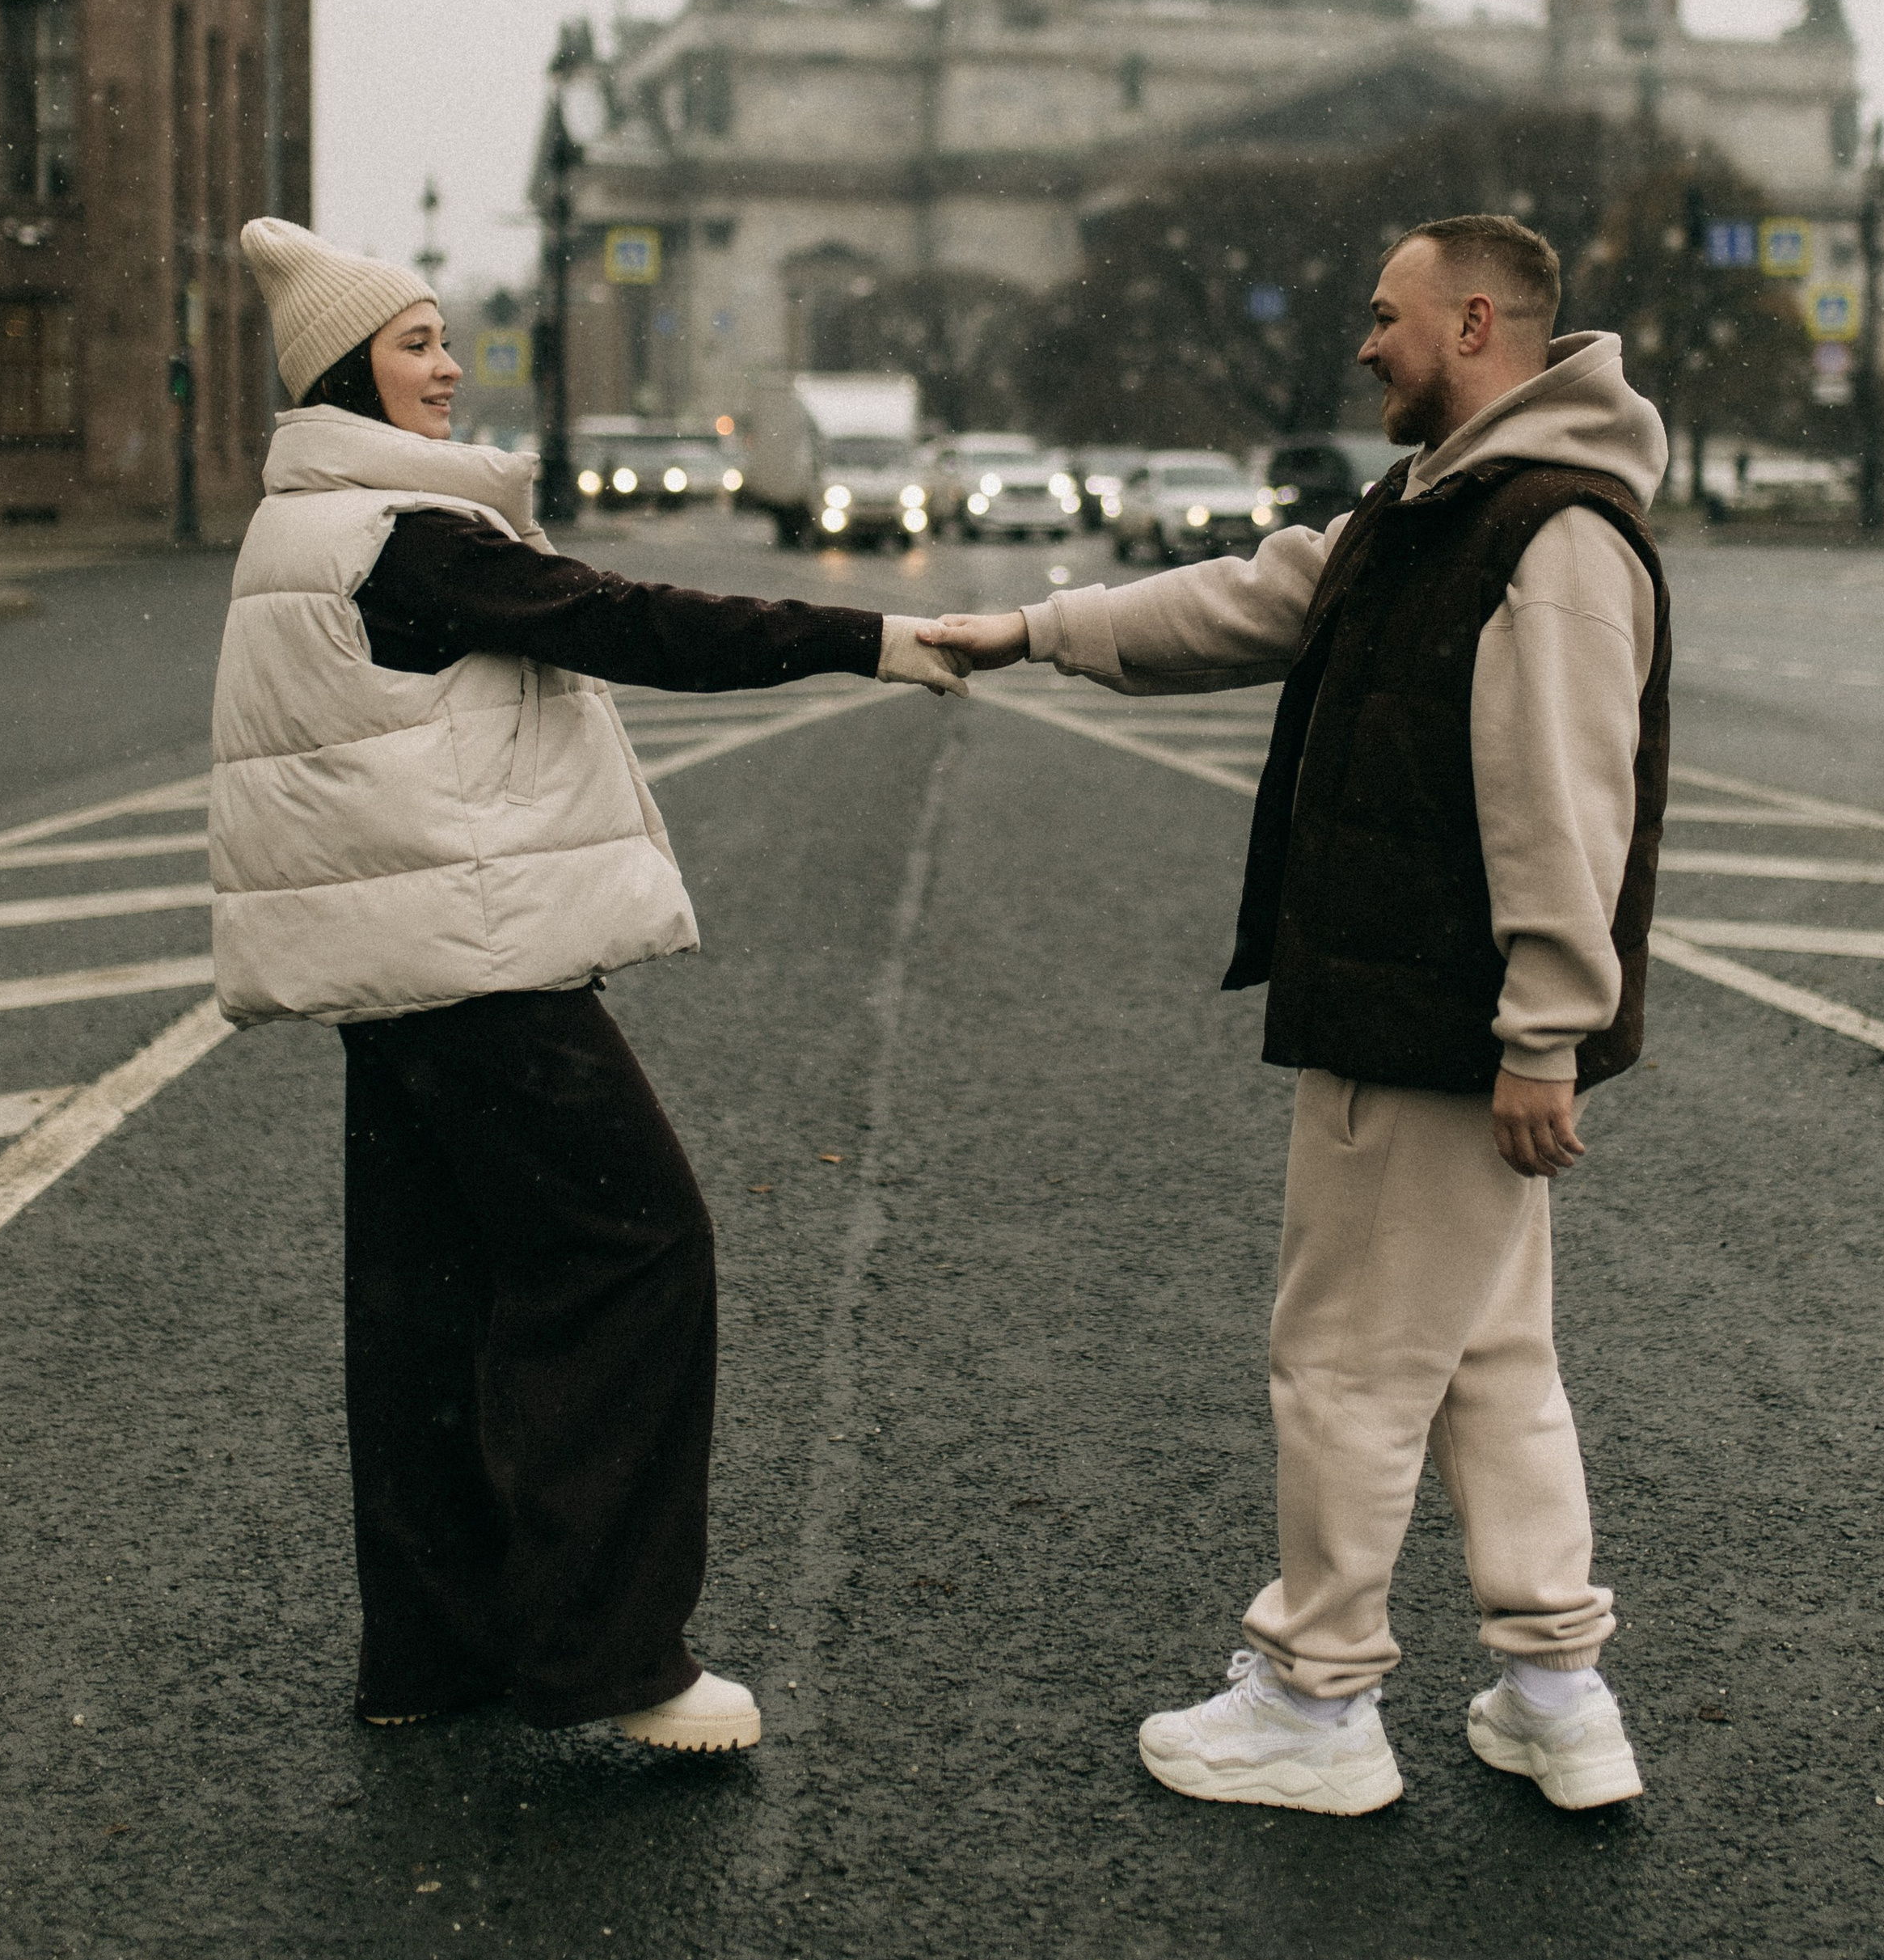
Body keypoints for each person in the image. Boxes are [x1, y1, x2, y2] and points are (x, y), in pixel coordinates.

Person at [921, 214, 1666, 1817]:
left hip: (1426, 1020)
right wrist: (1036, 630)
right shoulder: (1439, 510)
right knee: (1486, 1359)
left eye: (1384, 316)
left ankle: (1314, 1704)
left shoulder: (1542, 533)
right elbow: (1255, 600)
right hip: (1442, 1009)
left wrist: (1542, 1023)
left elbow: (1561, 796)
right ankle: (1555, 1692)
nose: (1360, 342)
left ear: (1473, 324)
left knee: (1339, 1361)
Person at [213, 218, 964, 1753]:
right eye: (418, 343)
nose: (450, 365)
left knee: (429, 1305)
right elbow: (627, 622)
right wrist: (870, 636)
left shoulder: (310, 528)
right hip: (473, 963)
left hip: (398, 971)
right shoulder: (400, 536)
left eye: (442, 337)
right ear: (350, 369)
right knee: (636, 1249)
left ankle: (439, 1649)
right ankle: (615, 1657)